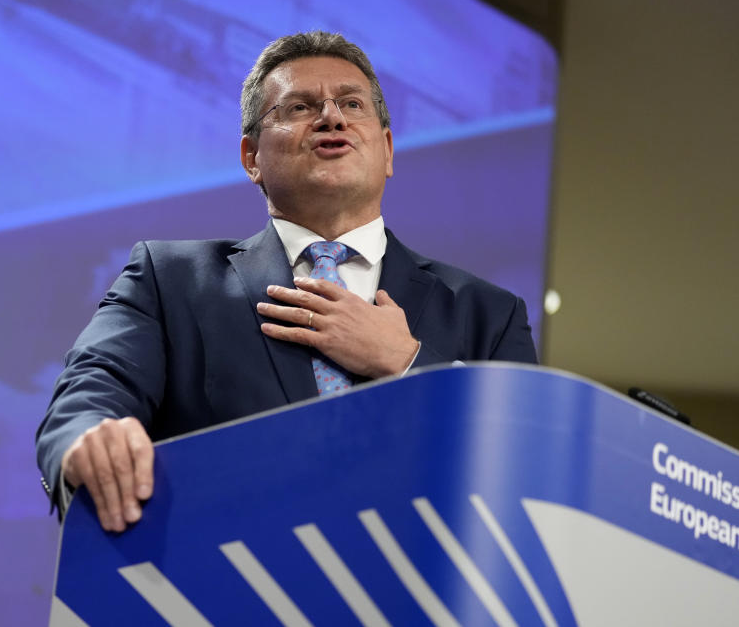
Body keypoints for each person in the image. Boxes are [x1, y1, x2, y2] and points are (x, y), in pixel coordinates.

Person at [35, 31, 537, 532]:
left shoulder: (488, 313)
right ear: (251, 157)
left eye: (352, 103)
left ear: (387, 150)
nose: (331, 117)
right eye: (299, 107)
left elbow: (529, 465)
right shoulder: (168, 281)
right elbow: (91, 392)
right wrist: (88, 437)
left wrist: (408, 365)